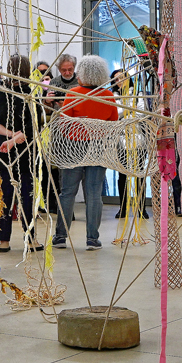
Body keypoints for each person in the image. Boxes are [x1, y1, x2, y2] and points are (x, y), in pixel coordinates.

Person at [53, 55, 119, 250]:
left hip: (74, 148)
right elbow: (113, 125)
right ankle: (92, 238)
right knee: (94, 194)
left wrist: (78, 131)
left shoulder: (73, 93)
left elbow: (64, 124)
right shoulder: (108, 96)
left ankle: (60, 237)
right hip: (98, 148)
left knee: (67, 193)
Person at [0, 55, 45, 253]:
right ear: (27, 71)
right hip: (22, 151)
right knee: (26, 195)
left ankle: (4, 241)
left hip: (7, 149)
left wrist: (10, 138)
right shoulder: (30, 94)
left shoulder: (0, 92)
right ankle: (30, 239)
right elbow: (34, 126)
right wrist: (14, 138)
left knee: (7, 193)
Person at [111, 68, 150, 221]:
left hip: (139, 141)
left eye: (122, 77)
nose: (119, 81)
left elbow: (141, 113)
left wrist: (123, 114)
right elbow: (115, 115)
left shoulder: (138, 94)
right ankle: (123, 208)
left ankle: (141, 209)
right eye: (116, 79)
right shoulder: (112, 97)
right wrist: (129, 111)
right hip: (121, 142)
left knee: (139, 175)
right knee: (122, 176)